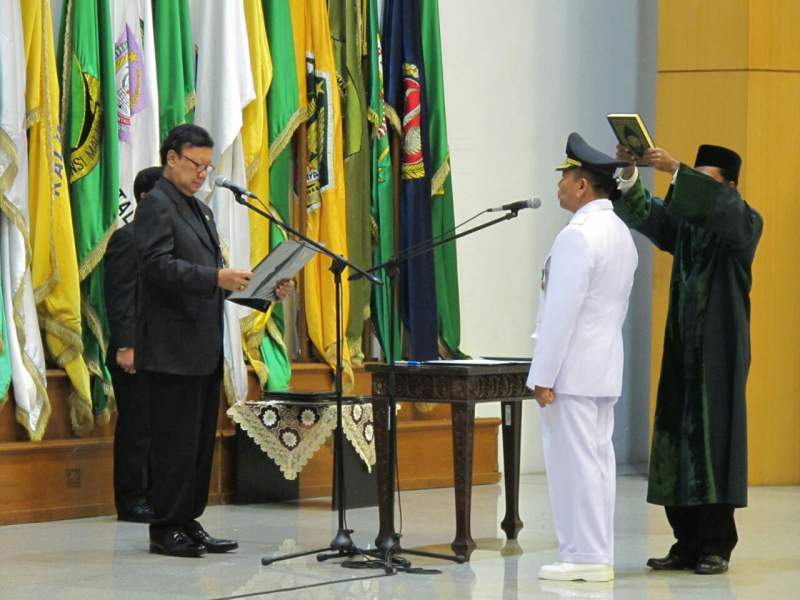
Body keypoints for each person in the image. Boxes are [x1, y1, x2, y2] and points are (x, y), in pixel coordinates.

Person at [134, 124, 293, 557]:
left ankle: (189, 519)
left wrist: (262, 289)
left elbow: (215, 282)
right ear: (171, 158)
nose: (203, 173)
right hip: (170, 350)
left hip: (202, 348)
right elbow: (156, 268)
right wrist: (216, 277)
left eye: (208, 166)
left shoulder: (199, 211)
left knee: (198, 443)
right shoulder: (157, 207)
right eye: (196, 164)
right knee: (173, 444)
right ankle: (165, 528)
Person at [614, 143, 762, 575]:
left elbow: (723, 211)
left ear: (730, 187)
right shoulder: (688, 228)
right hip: (682, 349)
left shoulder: (745, 224)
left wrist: (678, 170)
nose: (695, 186)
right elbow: (649, 214)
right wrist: (629, 173)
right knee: (678, 443)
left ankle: (717, 544)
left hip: (719, 353)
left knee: (714, 445)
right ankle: (686, 541)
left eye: (706, 179)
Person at [529, 133, 638, 583]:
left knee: (573, 467)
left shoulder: (578, 236)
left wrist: (543, 374)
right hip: (603, 368)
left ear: (582, 187)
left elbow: (561, 313)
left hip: (571, 372)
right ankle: (596, 551)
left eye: (565, 178)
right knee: (596, 465)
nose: (558, 186)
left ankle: (581, 555)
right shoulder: (619, 232)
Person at [105, 165, 163, 523]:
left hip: (164, 350)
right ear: (145, 197)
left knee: (159, 429)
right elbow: (120, 296)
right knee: (137, 429)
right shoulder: (128, 238)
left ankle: (156, 494)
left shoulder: (164, 238)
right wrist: (127, 345)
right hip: (135, 351)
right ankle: (131, 500)